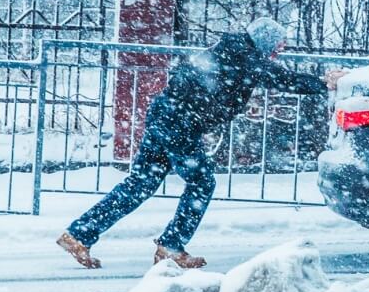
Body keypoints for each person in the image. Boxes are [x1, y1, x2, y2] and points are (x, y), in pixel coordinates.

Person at [57, 17, 335, 269]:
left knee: (140, 184)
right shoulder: (244, 56)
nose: (279, 52)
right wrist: (324, 83)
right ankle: (171, 246)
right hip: (179, 122)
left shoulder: (233, 51)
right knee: (201, 182)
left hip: (167, 115)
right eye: (278, 46)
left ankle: (79, 234)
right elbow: (282, 78)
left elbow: (266, 75)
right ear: (264, 42)